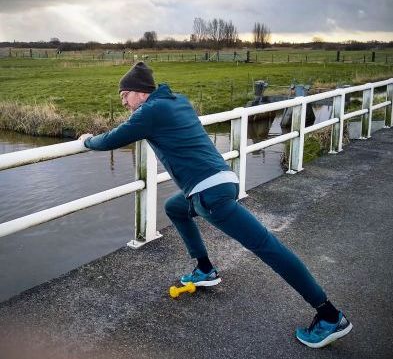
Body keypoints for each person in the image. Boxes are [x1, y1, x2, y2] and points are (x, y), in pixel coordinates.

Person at [79, 62, 352, 348]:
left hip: (210, 196)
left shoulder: (150, 112)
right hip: (223, 182)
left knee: (268, 247)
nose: (122, 101)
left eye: (125, 94)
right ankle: (205, 268)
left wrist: (87, 141)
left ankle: (329, 315)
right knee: (175, 208)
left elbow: (110, 140)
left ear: (141, 93)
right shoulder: (177, 101)